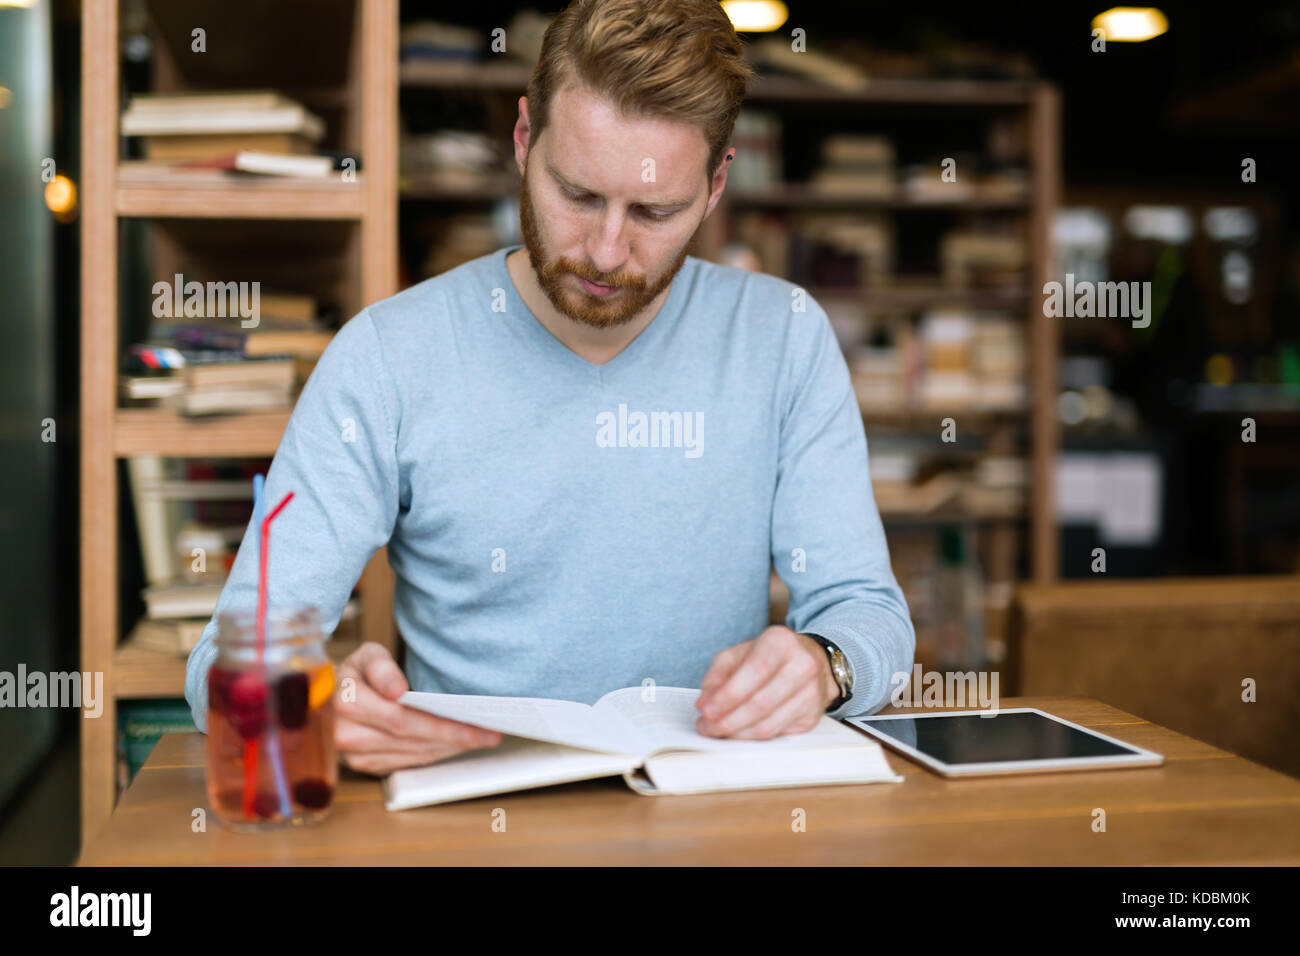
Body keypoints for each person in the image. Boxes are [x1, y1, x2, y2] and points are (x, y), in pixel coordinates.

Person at [185, 0, 914, 776]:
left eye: (654, 211)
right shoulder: (387, 355)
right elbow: (220, 670)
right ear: (524, 139)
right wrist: (310, 704)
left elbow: (871, 616)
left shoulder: (783, 338)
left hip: (708, 813)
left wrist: (825, 665)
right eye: (577, 194)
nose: (606, 251)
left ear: (716, 185)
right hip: (472, 819)